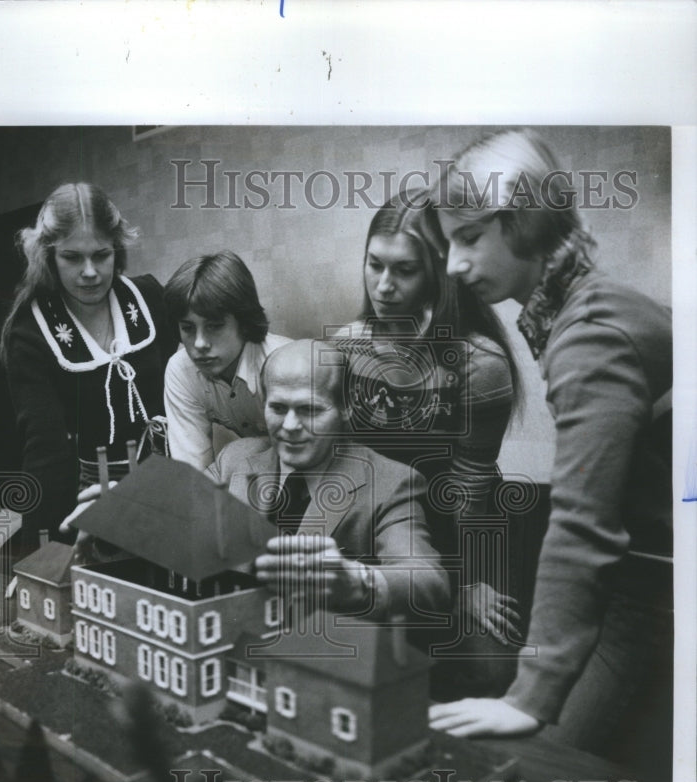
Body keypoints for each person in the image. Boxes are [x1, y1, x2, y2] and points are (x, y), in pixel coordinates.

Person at [428, 129, 673, 782]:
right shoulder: (583, 309)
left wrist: (529, 697)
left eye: (468, 236)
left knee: (547, 779)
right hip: (641, 585)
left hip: (652, 591)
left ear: (522, 222)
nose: (452, 263)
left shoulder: (589, 332)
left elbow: (581, 522)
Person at [330, 195, 524, 690]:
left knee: (490, 666)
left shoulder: (480, 365)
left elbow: (471, 487)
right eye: (375, 265)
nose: (384, 286)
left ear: (439, 273)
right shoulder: (345, 350)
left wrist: (466, 583)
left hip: (461, 529)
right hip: (383, 529)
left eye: (405, 270)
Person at [206, 339, 449, 621]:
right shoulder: (234, 458)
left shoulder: (391, 483)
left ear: (346, 408)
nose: (290, 426)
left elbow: (430, 580)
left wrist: (358, 583)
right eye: (279, 408)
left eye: (309, 410)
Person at [0, 182, 174, 551]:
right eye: (72, 257)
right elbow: (44, 449)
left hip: (169, 490)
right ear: (48, 256)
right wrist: (40, 551)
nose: (90, 271)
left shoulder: (149, 297)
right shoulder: (30, 332)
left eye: (101, 254)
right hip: (87, 506)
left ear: (118, 249)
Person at [163, 250, 289, 469]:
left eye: (214, 326)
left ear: (244, 321)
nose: (200, 343)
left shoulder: (283, 364)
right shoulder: (181, 370)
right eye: (188, 328)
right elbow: (194, 472)